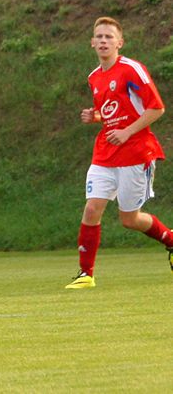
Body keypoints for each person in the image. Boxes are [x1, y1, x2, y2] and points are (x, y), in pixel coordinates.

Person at [65, 16, 173, 289]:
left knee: (130, 219)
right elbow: (115, 112)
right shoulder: (94, 77)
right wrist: (96, 117)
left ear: (119, 43)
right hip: (105, 153)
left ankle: (170, 240)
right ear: (92, 42)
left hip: (136, 153)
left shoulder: (131, 69)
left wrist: (127, 132)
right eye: (99, 36)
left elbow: (156, 108)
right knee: (92, 209)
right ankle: (85, 274)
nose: (103, 41)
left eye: (109, 37)